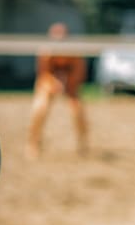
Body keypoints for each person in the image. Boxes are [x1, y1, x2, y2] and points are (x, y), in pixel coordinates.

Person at [25, 22, 88, 159]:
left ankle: (82, 144)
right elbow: (43, 74)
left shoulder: (75, 53)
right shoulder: (46, 52)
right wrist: (55, 84)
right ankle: (34, 143)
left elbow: (79, 74)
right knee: (39, 109)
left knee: (78, 111)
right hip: (49, 84)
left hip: (70, 85)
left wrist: (67, 83)